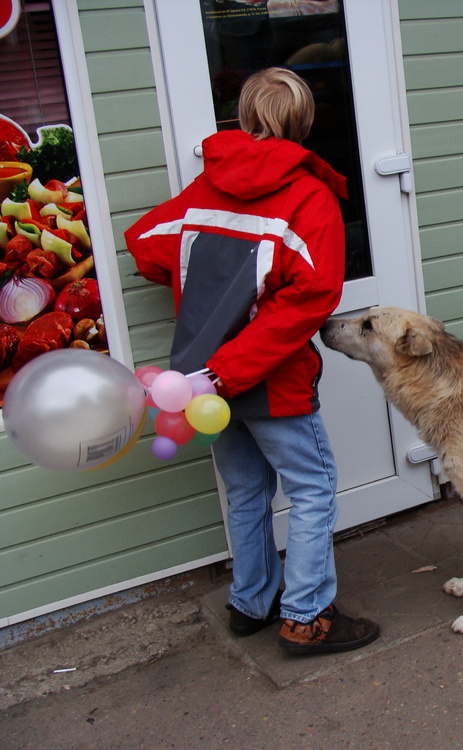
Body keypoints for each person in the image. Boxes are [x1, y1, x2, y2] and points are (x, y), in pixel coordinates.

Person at [125, 67, 379, 655]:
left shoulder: (204, 189)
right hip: (267, 379)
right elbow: (313, 296)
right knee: (313, 488)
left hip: (199, 385)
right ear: (305, 121)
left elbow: (145, 246)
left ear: (242, 116)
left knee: (244, 490)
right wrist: (234, 357)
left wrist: (209, 291)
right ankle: (306, 616)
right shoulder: (308, 196)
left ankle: (251, 602)